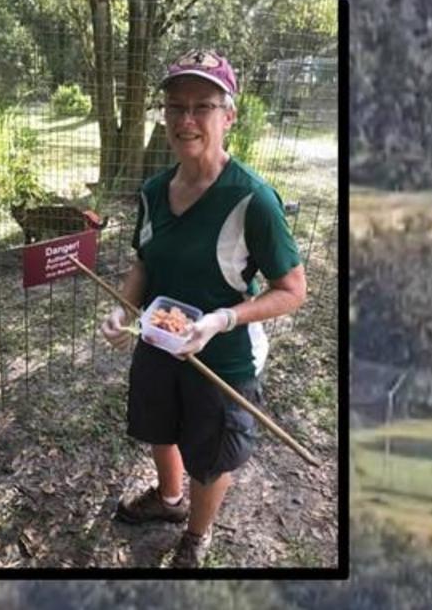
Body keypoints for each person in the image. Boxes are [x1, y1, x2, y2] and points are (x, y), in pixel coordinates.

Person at [98, 49, 306, 568]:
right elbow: (145, 263)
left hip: (223, 356)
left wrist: (220, 320)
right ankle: (169, 503)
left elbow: (293, 289)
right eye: (174, 107)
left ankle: (196, 533)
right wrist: (125, 309)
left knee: (210, 459)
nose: (186, 119)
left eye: (202, 106)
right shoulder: (151, 192)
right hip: (159, 340)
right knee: (159, 427)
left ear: (228, 116)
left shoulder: (252, 200)